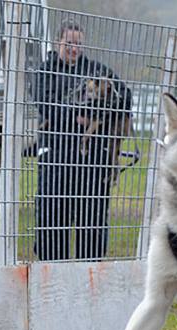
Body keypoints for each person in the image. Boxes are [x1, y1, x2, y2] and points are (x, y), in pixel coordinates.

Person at [32, 19, 131, 261]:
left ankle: (91, 270)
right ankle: (52, 269)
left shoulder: (96, 71)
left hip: (93, 159)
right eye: (69, 43)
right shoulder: (46, 72)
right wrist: (78, 116)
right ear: (58, 42)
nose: (74, 48)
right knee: (52, 217)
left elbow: (124, 98)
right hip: (56, 155)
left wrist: (96, 116)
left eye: (78, 44)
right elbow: (48, 106)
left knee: (93, 219)